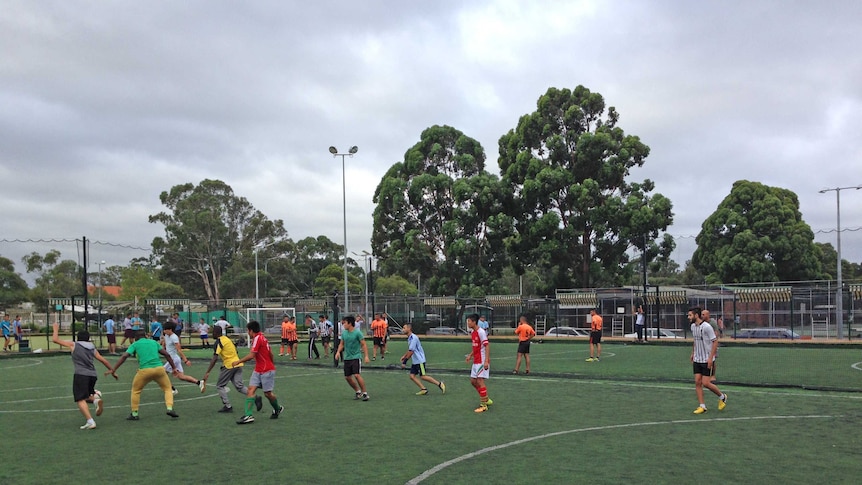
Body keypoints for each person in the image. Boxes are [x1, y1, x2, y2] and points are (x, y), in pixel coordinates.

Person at [52, 322, 114, 429]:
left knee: (80, 399)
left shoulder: (74, 345)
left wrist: (55, 329)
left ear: (78, 338)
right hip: (92, 375)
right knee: (86, 396)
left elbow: (55, 340)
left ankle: (90, 421)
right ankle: (96, 400)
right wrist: (112, 370)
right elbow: (103, 360)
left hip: (81, 375)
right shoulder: (92, 347)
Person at [105, 329, 179, 420]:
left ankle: (134, 413)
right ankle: (169, 408)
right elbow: (167, 355)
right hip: (159, 369)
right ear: (146, 335)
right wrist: (174, 368)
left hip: (144, 371)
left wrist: (114, 369)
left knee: (136, 391)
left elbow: (124, 356)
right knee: (167, 389)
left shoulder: (135, 344)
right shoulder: (153, 342)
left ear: (136, 338)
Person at [234, 321, 283, 424]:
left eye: (248, 330)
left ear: (251, 330)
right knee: (251, 390)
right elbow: (271, 354)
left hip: (266, 370)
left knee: (267, 394)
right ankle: (248, 415)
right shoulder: (262, 338)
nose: (247, 333)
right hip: (258, 369)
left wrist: (239, 361)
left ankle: (277, 408)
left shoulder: (258, 338)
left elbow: (252, 355)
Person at [689, 307, 728, 414]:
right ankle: (702, 406)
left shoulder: (707, 327)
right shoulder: (693, 327)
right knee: (697, 382)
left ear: (696, 315)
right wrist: (693, 353)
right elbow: (695, 341)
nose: (689, 317)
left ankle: (722, 396)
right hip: (697, 358)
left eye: (690, 315)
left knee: (706, 383)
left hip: (706, 359)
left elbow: (715, 341)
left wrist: (711, 358)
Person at [202, 326, 249, 413]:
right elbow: (236, 351)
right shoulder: (227, 339)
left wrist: (208, 372)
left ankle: (228, 406)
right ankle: (255, 396)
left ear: (216, 333)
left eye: (212, 333)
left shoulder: (218, 341)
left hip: (229, 365)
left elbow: (215, 358)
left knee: (220, 386)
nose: (211, 334)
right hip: (238, 363)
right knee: (239, 386)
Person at [400, 323, 445, 395]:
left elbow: (411, 351)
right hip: (415, 361)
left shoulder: (414, 338)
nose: (403, 329)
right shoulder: (410, 338)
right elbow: (410, 350)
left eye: (404, 328)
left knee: (423, 376)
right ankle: (423, 389)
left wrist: (404, 362)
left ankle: (439, 384)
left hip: (420, 361)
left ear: (409, 329)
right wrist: (404, 356)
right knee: (412, 376)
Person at [162, 322, 206, 395]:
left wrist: (186, 360)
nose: (164, 331)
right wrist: (163, 346)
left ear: (170, 330)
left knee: (162, 373)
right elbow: (164, 342)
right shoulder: (166, 335)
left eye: (165, 329)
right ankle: (199, 383)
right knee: (181, 377)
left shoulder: (174, 337)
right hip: (173, 358)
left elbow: (179, 350)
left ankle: (172, 390)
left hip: (173, 359)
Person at [334, 315, 370, 401]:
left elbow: (364, 344)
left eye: (345, 323)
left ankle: (365, 393)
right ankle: (358, 391)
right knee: (347, 377)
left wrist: (366, 356)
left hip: (356, 357)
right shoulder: (344, 333)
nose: (343, 325)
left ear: (350, 323)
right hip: (347, 358)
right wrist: (338, 352)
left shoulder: (358, 333)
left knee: (357, 375)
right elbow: (342, 344)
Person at [465, 313, 492, 413]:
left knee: (480, 381)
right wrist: (470, 355)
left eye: (469, 321)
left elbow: (487, 346)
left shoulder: (481, 332)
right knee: (473, 381)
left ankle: (483, 405)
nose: (468, 323)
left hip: (482, 361)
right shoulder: (473, 333)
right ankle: (485, 398)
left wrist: (486, 361)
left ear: (474, 322)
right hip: (476, 361)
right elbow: (476, 347)